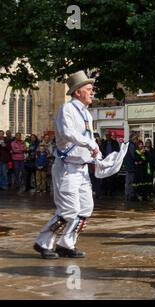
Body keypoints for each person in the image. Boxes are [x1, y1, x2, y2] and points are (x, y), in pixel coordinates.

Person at [34, 70, 100, 259]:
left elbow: (88, 139)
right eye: (89, 89)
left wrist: (98, 155)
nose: (92, 92)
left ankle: (66, 243)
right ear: (78, 91)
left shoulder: (87, 114)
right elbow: (68, 133)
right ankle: (43, 242)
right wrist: (89, 143)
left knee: (85, 209)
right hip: (67, 168)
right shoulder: (67, 110)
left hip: (82, 168)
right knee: (68, 210)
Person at [100, 130, 120, 196]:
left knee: (112, 177)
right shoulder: (103, 143)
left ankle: (111, 191)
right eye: (106, 135)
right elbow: (101, 151)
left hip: (112, 162)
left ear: (110, 135)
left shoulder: (115, 142)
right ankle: (104, 191)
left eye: (108, 135)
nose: (107, 136)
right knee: (104, 177)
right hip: (105, 161)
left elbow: (118, 151)